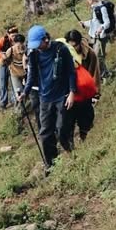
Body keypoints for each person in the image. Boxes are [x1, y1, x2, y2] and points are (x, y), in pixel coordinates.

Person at [22, 24, 77, 168]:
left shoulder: (61, 49)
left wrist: (72, 92)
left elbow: (71, 72)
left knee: (61, 130)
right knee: (45, 134)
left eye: (39, 43)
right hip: (44, 98)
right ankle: (51, 165)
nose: (37, 47)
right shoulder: (33, 53)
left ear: (46, 39)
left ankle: (72, 154)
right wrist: (25, 92)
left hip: (62, 96)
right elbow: (32, 74)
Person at [64, 29, 101, 141]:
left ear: (80, 43)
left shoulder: (89, 54)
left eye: (75, 46)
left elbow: (95, 73)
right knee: (69, 120)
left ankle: (84, 137)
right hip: (70, 91)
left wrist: (96, 94)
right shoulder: (64, 53)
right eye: (70, 46)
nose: (73, 49)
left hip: (85, 91)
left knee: (85, 118)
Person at [81, 0, 112, 78]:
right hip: (93, 36)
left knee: (98, 56)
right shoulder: (95, 8)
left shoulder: (102, 8)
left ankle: (104, 74)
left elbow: (107, 23)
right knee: (96, 56)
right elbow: (94, 22)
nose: (87, 1)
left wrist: (101, 28)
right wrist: (84, 23)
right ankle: (103, 74)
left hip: (100, 37)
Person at [0, 25, 18, 109]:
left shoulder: (18, 40)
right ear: (8, 34)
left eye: (15, 35)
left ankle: (14, 100)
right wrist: (0, 60)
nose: (14, 37)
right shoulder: (3, 40)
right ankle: (3, 102)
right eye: (12, 35)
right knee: (3, 83)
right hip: (3, 64)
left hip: (13, 64)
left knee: (13, 83)